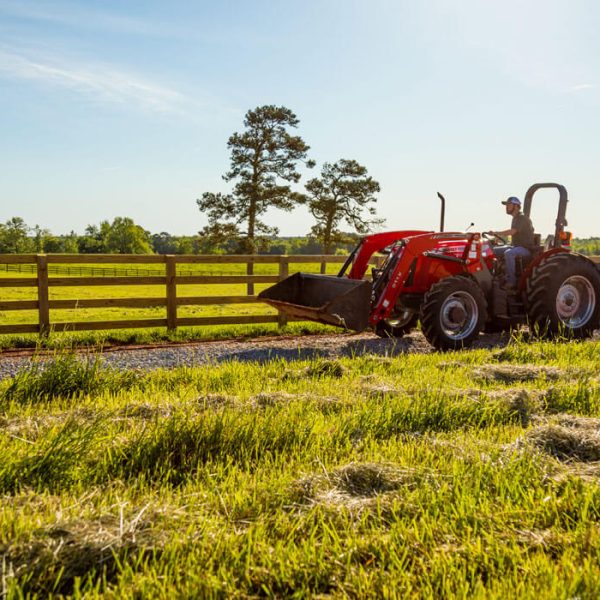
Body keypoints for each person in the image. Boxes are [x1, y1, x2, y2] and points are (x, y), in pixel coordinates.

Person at [490, 196, 535, 289]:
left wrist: (496, 233)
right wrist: (496, 237)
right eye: (506, 205)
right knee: (492, 250)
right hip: (515, 246)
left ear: (516, 206)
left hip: (525, 249)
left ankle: (511, 281)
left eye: (509, 205)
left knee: (509, 253)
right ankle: (494, 275)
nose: (506, 207)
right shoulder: (515, 219)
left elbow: (512, 232)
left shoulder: (522, 218)